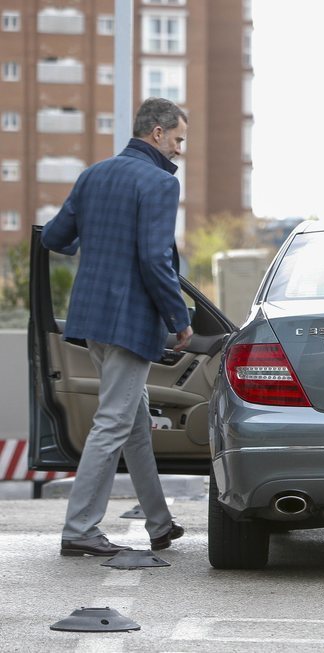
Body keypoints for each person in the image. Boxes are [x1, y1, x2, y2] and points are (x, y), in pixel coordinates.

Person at [42, 97, 193, 556]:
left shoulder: (94, 174)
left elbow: (53, 238)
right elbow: (154, 259)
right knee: (112, 422)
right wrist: (179, 319)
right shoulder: (159, 184)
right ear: (158, 133)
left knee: (133, 423)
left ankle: (159, 523)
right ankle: (80, 529)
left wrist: (102, 238)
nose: (180, 150)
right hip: (131, 321)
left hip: (92, 317)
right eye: (179, 139)